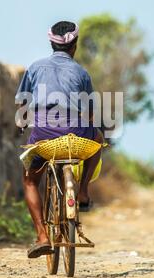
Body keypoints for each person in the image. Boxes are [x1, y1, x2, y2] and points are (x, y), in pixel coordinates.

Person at [15, 21, 103, 258]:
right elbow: (91, 112)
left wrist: (21, 123)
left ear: (51, 43)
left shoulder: (34, 68)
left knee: (30, 181)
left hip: (44, 134)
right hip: (76, 132)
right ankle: (83, 190)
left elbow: (22, 105)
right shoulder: (81, 73)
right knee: (98, 139)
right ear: (74, 45)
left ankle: (42, 236)